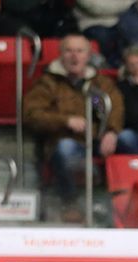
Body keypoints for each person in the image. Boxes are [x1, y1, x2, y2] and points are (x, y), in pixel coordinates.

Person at [23, 32, 124, 223]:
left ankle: (124, 204)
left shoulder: (100, 83)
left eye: (79, 51)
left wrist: (112, 131)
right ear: (61, 54)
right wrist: (65, 120)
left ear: (88, 55)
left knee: (129, 140)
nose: (74, 56)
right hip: (63, 140)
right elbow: (32, 114)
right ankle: (70, 203)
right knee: (65, 149)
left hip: (97, 139)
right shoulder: (48, 82)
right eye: (69, 51)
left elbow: (116, 107)